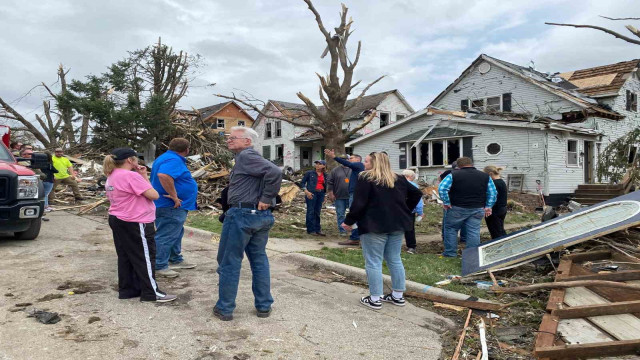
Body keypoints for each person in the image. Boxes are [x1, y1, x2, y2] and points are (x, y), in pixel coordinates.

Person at [214, 126, 282, 321]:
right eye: (228, 138)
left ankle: (225, 308)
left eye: (234, 138)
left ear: (247, 141)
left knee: (229, 261)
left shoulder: (246, 156)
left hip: (242, 215)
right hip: (259, 216)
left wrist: (267, 197)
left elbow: (275, 172)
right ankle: (263, 306)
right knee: (259, 260)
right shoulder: (249, 159)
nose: (229, 140)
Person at [342, 152, 422, 309]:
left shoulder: (367, 178)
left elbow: (359, 203)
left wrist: (349, 221)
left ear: (375, 163)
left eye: (366, 161)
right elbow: (417, 193)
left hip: (374, 225)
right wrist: (405, 210)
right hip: (397, 224)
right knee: (394, 259)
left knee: (373, 261)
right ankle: (398, 296)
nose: (364, 164)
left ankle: (375, 298)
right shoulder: (398, 178)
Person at [103, 147, 177, 303]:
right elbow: (154, 195)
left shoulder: (112, 175)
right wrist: (143, 176)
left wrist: (142, 174)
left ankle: (128, 289)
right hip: (136, 221)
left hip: (118, 218)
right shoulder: (130, 176)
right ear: (130, 160)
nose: (138, 161)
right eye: (136, 159)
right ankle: (152, 292)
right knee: (145, 257)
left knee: (126, 256)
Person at [150, 138, 199, 278]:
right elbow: (163, 175)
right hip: (170, 205)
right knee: (166, 234)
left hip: (170, 206)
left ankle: (174, 258)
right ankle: (159, 265)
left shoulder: (165, 157)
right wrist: (174, 196)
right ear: (187, 150)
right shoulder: (174, 160)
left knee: (175, 232)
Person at [438, 157, 497, 257]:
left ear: (459, 166)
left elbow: (442, 188)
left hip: (457, 207)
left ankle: (450, 253)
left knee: (451, 229)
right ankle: (471, 255)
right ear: (472, 164)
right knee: (474, 231)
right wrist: (488, 206)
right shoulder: (485, 176)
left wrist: (447, 202)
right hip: (477, 208)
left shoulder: (453, 175)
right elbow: (493, 192)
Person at [324, 149, 364, 246]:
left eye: (352, 158)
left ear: (358, 159)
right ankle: (356, 236)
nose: (349, 159)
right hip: (349, 194)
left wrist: (334, 157)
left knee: (353, 215)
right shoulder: (355, 168)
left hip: (354, 194)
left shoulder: (359, 165)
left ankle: (355, 238)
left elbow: (347, 163)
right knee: (353, 215)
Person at [300, 160, 327, 236]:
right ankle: (311, 230)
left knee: (317, 211)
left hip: (320, 193)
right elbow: (302, 183)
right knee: (310, 211)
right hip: (311, 193)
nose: (317, 165)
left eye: (320, 164)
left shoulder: (325, 175)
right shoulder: (309, 173)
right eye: (316, 164)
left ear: (324, 166)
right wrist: (306, 191)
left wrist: (325, 195)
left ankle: (317, 229)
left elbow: (325, 186)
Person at [327, 161, 352, 236]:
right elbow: (330, 182)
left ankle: (353, 230)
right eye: (343, 159)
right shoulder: (335, 170)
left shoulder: (353, 169)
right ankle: (342, 230)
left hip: (352, 196)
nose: (345, 161)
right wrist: (331, 193)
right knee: (340, 213)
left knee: (353, 214)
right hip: (339, 196)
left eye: (347, 159)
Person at [401, 170, 423, 254]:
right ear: (410, 177)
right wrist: (420, 212)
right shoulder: (414, 186)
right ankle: (411, 247)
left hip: (397, 209)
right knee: (409, 229)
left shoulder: (396, 184)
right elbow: (419, 201)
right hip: (409, 210)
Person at [483, 166, 508, 239]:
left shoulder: (493, 184)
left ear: (490, 174)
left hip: (494, 210)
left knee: (495, 232)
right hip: (502, 208)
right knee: (500, 229)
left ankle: (499, 247)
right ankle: (505, 242)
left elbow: (491, 196)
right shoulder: (501, 181)